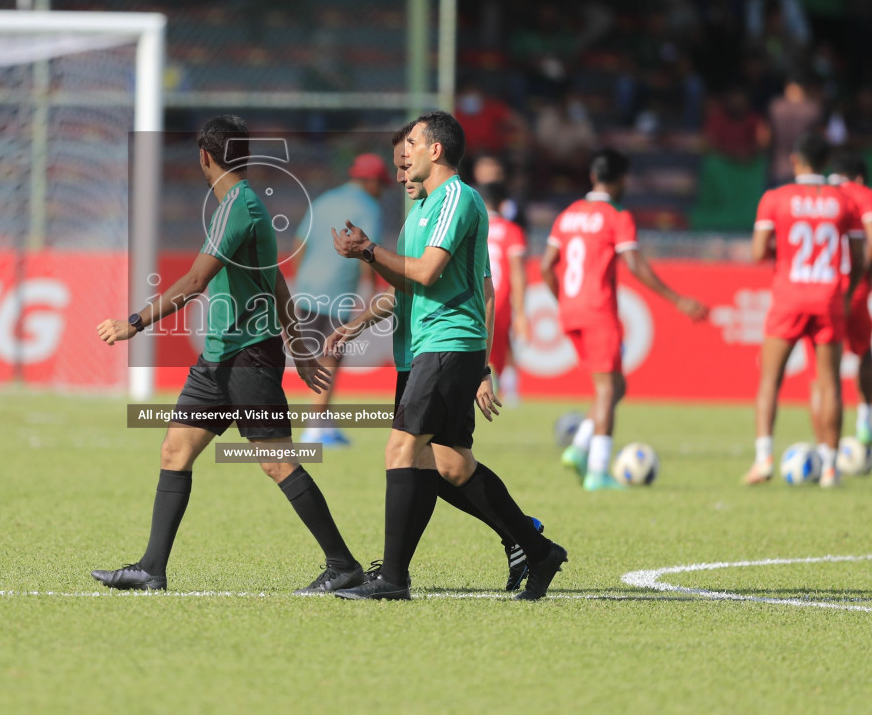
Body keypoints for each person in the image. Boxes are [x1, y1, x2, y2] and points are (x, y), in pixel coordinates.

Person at [91, 115, 363, 594]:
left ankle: (343, 565)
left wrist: (133, 323)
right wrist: (299, 345)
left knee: (277, 461)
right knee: (176, 450)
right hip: (217, 360)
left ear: (204, 157)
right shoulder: (239, 206)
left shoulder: (238, 207)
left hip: (247, 359)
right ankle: (151, 568)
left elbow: (196, 281)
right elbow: (277, 280)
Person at [329, 111, 566, 602]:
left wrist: (369, 250)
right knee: (451, 466)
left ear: (434, 149)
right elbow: (408, 284)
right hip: (428, 347)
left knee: (403, 451)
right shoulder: (423, 209)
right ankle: (534, 547)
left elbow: (437, 274)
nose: (403, 162)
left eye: (411, 145)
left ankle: (393, 578)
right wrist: (356, 319)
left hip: (447, 344)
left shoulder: (459, 197)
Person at [547, 149, 708, 491]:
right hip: (597, 310)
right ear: (621, 180)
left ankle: (578, 449)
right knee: (608, 389)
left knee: (616, 386)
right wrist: (677, 299)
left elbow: (547, 265)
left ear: (593, 177)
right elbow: (634, 264)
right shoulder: (617, 215)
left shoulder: (568, 214)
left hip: (570, 310)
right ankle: (597, 472)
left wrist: (563, 301)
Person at [746, 133, 864, 488]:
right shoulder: (844, 202)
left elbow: (756, 252)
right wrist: (847, 291)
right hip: (828, 296)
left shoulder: (775, 198)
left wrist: (781, 254)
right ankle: (830, 467)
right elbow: (858, 258)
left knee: (770, 380)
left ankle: (763, 459)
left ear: (795, 161)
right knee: (829, 384)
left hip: (789, 296)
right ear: (826, 163)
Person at [292, 153, 390, 447]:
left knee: (318, 357)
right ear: (371, 181)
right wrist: (371, 291)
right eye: (380, 185)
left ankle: (322, 420)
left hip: (308, 285)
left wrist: (301, 281)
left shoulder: (324, 200)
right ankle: (314, 427)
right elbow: (367, 252)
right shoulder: (368, 207)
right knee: (330, 357)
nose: (381, 191)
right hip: (336, 292)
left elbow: (300, 242)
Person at [823, 152, 872, 446]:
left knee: (822, 368)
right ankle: (865, 422)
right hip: (853, 285)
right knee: (864, 353)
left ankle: (824, 444)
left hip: (820, 285)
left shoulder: (819, 194)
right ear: (859, 177)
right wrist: (867, 276)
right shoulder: (864, 194)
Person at [481, 181, 529, 399]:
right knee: (504, 344)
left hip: (474, 297)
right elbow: (517, 272)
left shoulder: (470, 225)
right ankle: (510, 392)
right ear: (503, 204)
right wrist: (520, 312)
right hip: (499, 298)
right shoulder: (512, 231)